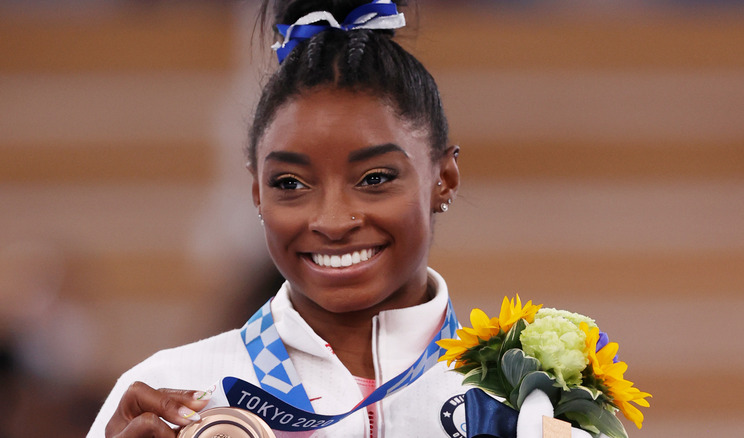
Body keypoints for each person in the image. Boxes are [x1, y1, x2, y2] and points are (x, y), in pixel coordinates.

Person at [89, 1, 466, 437]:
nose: (333, 220)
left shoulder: (526, 395)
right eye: (290, 183)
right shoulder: (172, 391)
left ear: (444, 178)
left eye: (374, 177)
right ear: (257, 194)